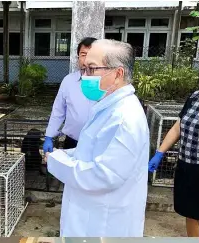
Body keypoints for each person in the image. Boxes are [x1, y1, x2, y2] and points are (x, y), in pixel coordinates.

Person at [46, 39, 149, 237]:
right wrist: (65, 154)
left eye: (92, 69)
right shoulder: (107, 106)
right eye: (84, 69)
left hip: (105, 224)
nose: (85, 76)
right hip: (91, 217)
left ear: (118, 74)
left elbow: (104, 175)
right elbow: (91, 149)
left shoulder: (124, 117)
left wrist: (56, 162)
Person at [149, 91, 199, 237]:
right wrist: (160, 152)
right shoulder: (195, 96)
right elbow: (178, 126)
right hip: (188, 166)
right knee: (191, 214)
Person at [43, 37, 97, 153]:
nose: (86, 59)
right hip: (72, 142)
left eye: (91, 55)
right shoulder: (68, 81)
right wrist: (49, 136)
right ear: (78, 57)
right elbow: (58, 111)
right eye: (83, 55)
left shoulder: (105, 83)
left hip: (97, 144)